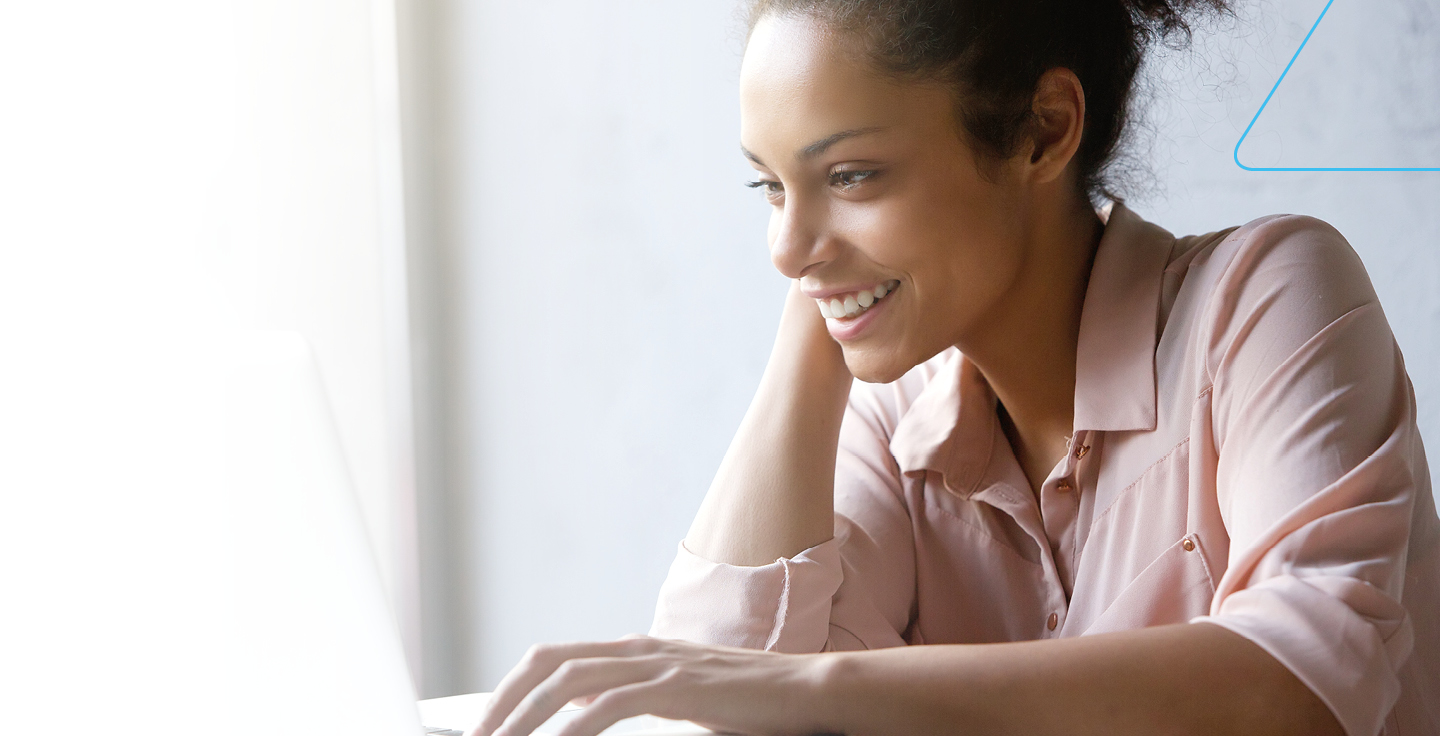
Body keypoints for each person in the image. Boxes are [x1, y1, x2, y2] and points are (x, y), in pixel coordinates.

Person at [472, 0, 1440, 734]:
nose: (782, 243)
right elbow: (715, 691)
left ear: (1043, 130)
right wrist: (824, 304)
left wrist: (830, 684)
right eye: (770, 186)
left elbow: (1306, 681)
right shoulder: (893, 419)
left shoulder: (1263, 297)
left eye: (851, 174)